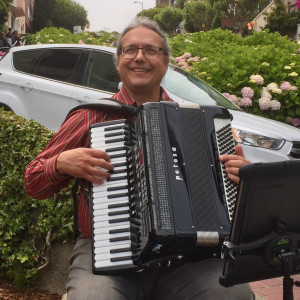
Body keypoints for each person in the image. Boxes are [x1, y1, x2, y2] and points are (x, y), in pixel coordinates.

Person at [24, 17, 254, 300]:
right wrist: (59, 164)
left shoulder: (196, 123)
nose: (139, 57)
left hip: (184, 259)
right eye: (130, 50)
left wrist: (242, 181)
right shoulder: (90, 116)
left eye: (150, 50)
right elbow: (32, 182)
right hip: (106, 253)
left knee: (233, 295)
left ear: (166, 62)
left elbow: (233, 205)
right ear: (119, 60)